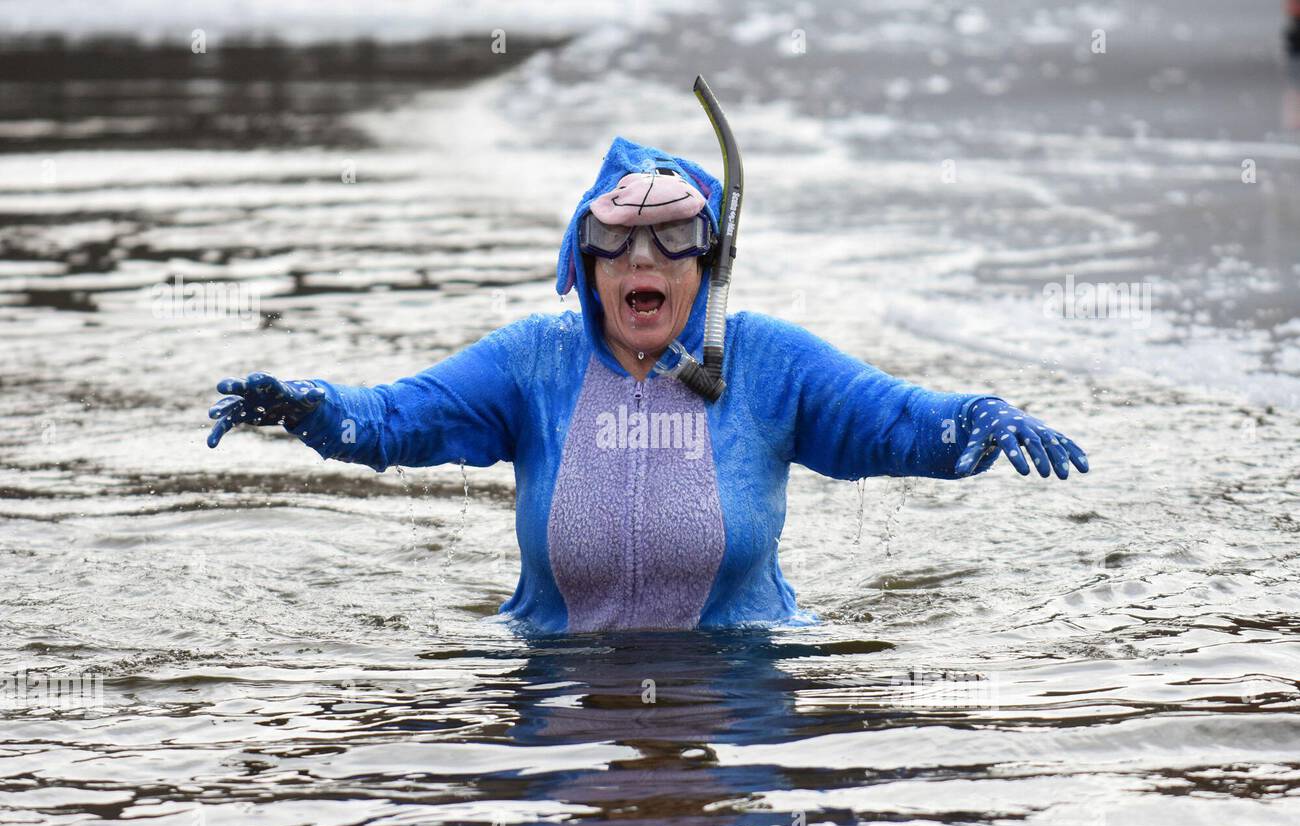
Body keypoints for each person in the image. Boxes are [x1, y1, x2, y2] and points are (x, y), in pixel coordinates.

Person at [206, 136, 1088, 634]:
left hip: (742, 682)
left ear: (709, 261)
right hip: (553, 682)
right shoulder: (532, 364)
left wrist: (971, 419)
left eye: (672, 240)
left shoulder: (768, 364)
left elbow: (894, 420)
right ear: (582, 265)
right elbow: (395, 418)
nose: (644, 262)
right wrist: (315, 409)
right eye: (619, 242)